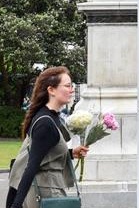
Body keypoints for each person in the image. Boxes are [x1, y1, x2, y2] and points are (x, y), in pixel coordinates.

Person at [6, 66, 88, 208]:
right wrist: (16, 205)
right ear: (51, 90)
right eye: (67, 86)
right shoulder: (46, 122)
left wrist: (70, 153)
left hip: (49, 190)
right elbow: (31, 166)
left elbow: (44, 153)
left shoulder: (50, 117)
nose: (72, 89)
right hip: (47, 193)